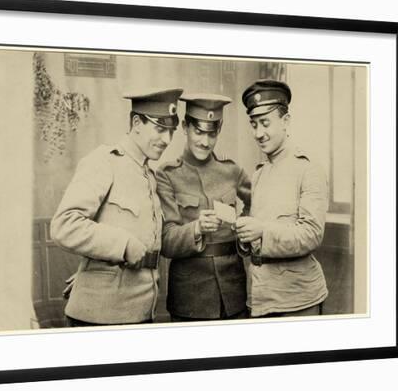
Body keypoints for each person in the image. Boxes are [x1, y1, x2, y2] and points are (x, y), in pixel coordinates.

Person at [50, 88, 183, 326]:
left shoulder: (149, 175)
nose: (167, 140)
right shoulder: (104, 161)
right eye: (160, 129)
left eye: (171, 131)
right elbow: (64, 225)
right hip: (100, 317)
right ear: (136, 123)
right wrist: (121, 244)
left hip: (140, 312)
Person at [236, 79, 329, 318]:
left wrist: (261, 231)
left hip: (297, 302)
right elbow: (258, 234)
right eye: (254, 124)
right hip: (260, 298)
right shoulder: (259, 174)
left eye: (265, 123)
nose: (258, 133)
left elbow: (311, 234)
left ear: (285, 121)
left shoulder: (308, 170)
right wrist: (246, 236)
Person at [156, 93, 251, 321]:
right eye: (198, 132)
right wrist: (196, 228)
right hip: (190, 296)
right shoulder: (167, 175)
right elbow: (166, 241)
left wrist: (244, 231)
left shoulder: (232, 171)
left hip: (233, 293)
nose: (205, 142)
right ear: (185, 127)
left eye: (212, 133)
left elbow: (257, 205)